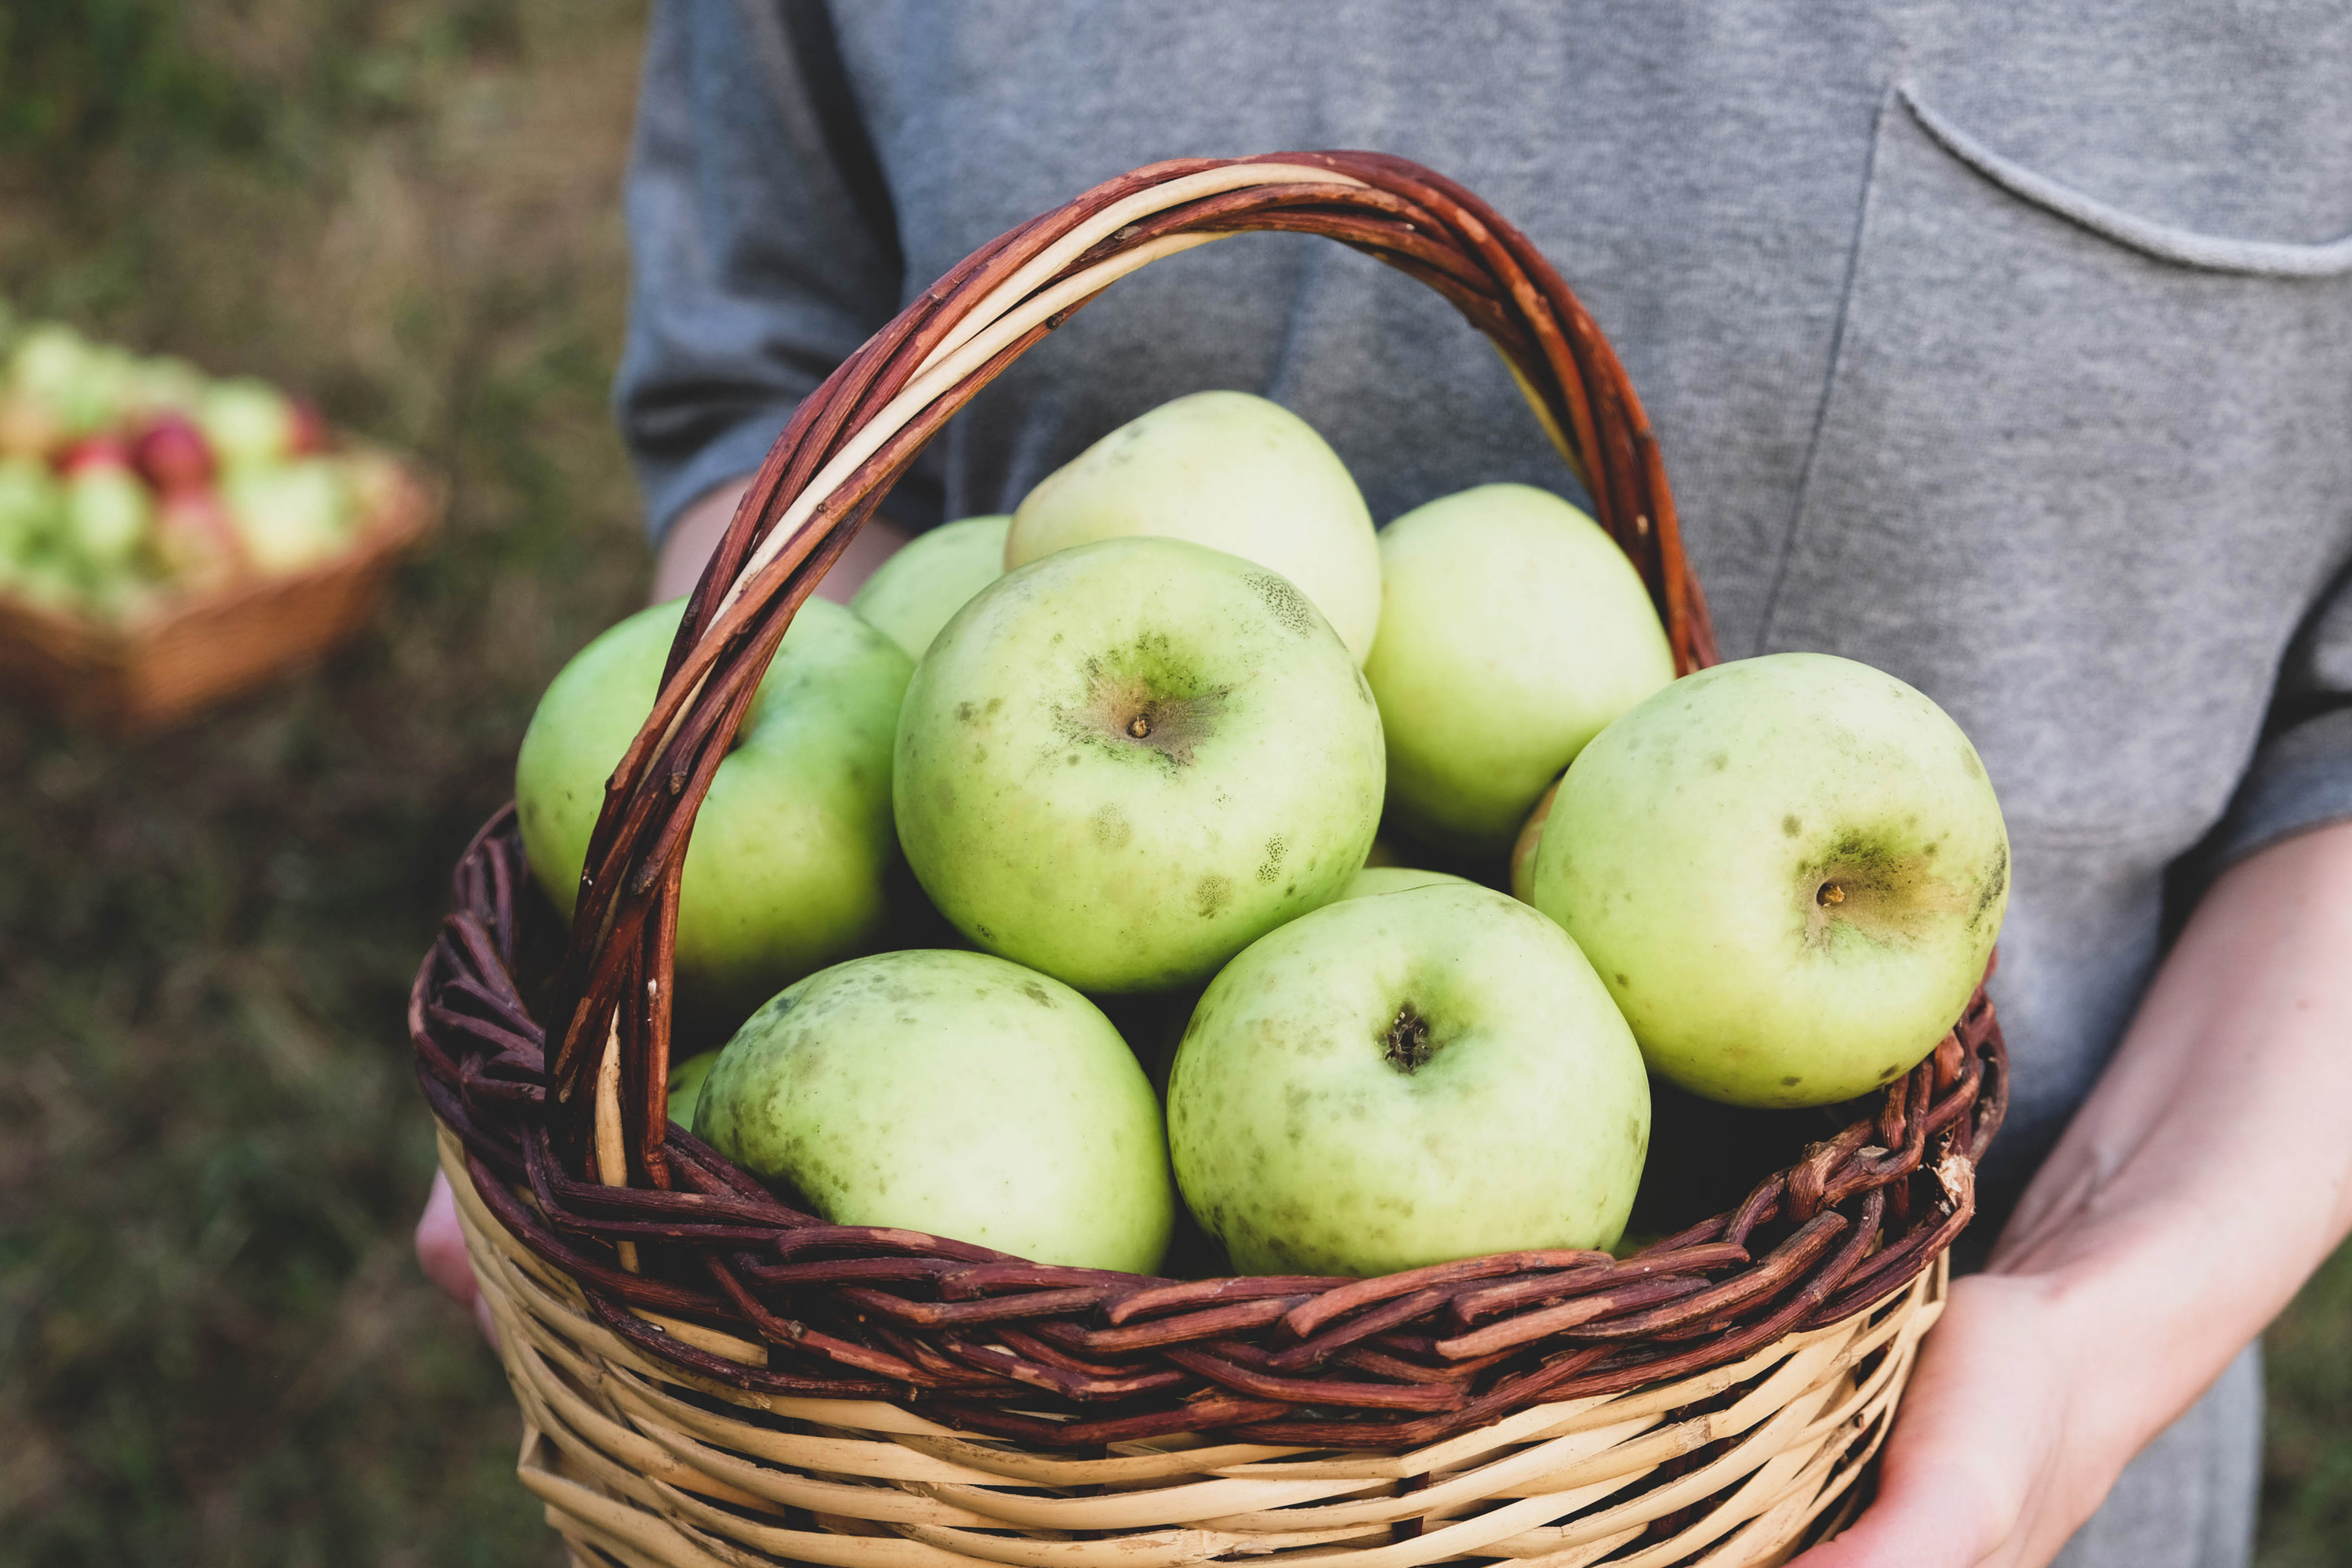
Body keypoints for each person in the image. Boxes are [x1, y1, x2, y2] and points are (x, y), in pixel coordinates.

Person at [417, 5, 2352, 1564]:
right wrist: (641, 1125)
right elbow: (777, 363)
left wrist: (2096, 1332)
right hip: (954, 1471)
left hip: (1875, 1412)